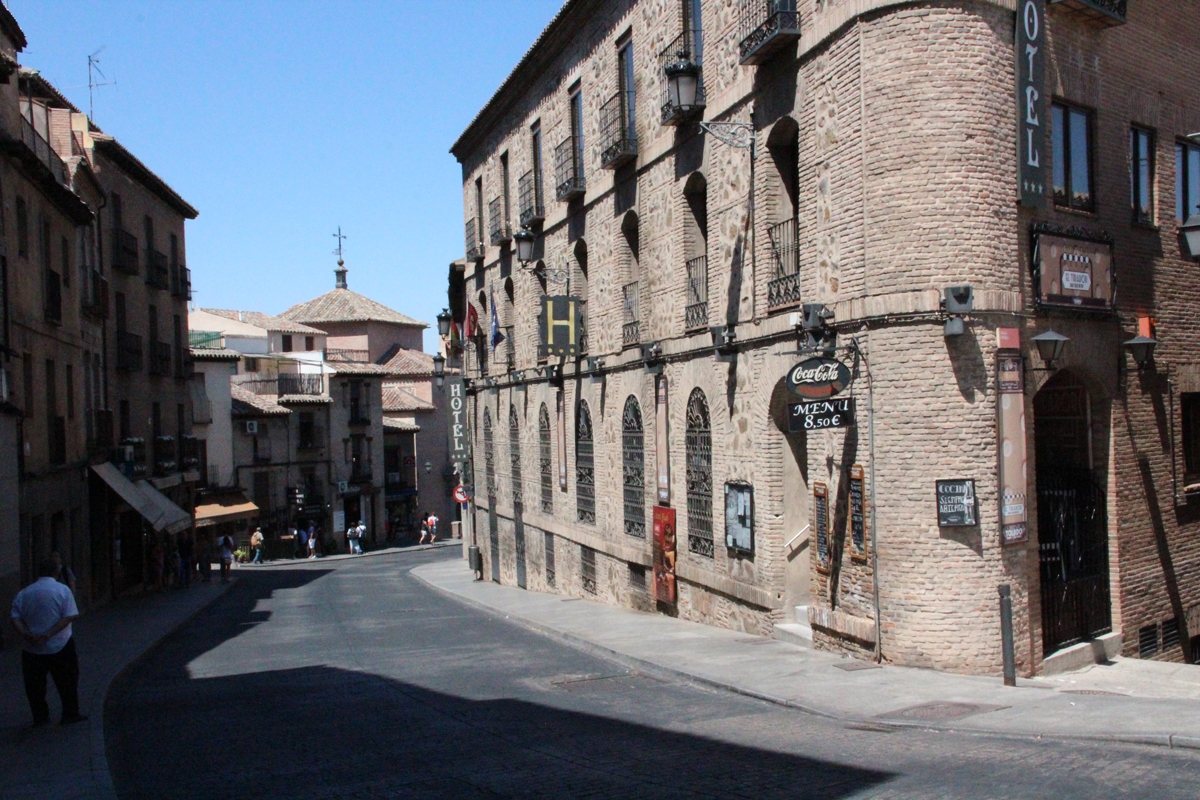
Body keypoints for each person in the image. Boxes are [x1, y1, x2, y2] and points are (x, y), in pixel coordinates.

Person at [11, 558, 86, 726]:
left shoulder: (24, 593)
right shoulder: (63, 590)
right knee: (67, 682)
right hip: (61, 644)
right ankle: (70, 713)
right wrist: (49, 633)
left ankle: (40, 717)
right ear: (56, 572)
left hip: (32, 648)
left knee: (35, 686)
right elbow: (70, 616)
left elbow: (15, 617)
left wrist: (26, 634)